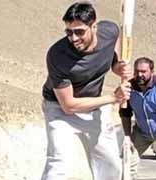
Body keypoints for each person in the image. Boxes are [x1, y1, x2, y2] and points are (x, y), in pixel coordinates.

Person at [41, 2, 131, 180]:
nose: (73, 38)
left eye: (79, 31)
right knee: (58, 162)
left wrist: (116, 65)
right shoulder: (57, 55)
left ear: (94, 27)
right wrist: (114, 97)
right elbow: (69, 106)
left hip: (94, 107)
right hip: (59, 110)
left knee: (111, 164)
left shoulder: (109, 31)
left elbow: (111, 45)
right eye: (69, 32)